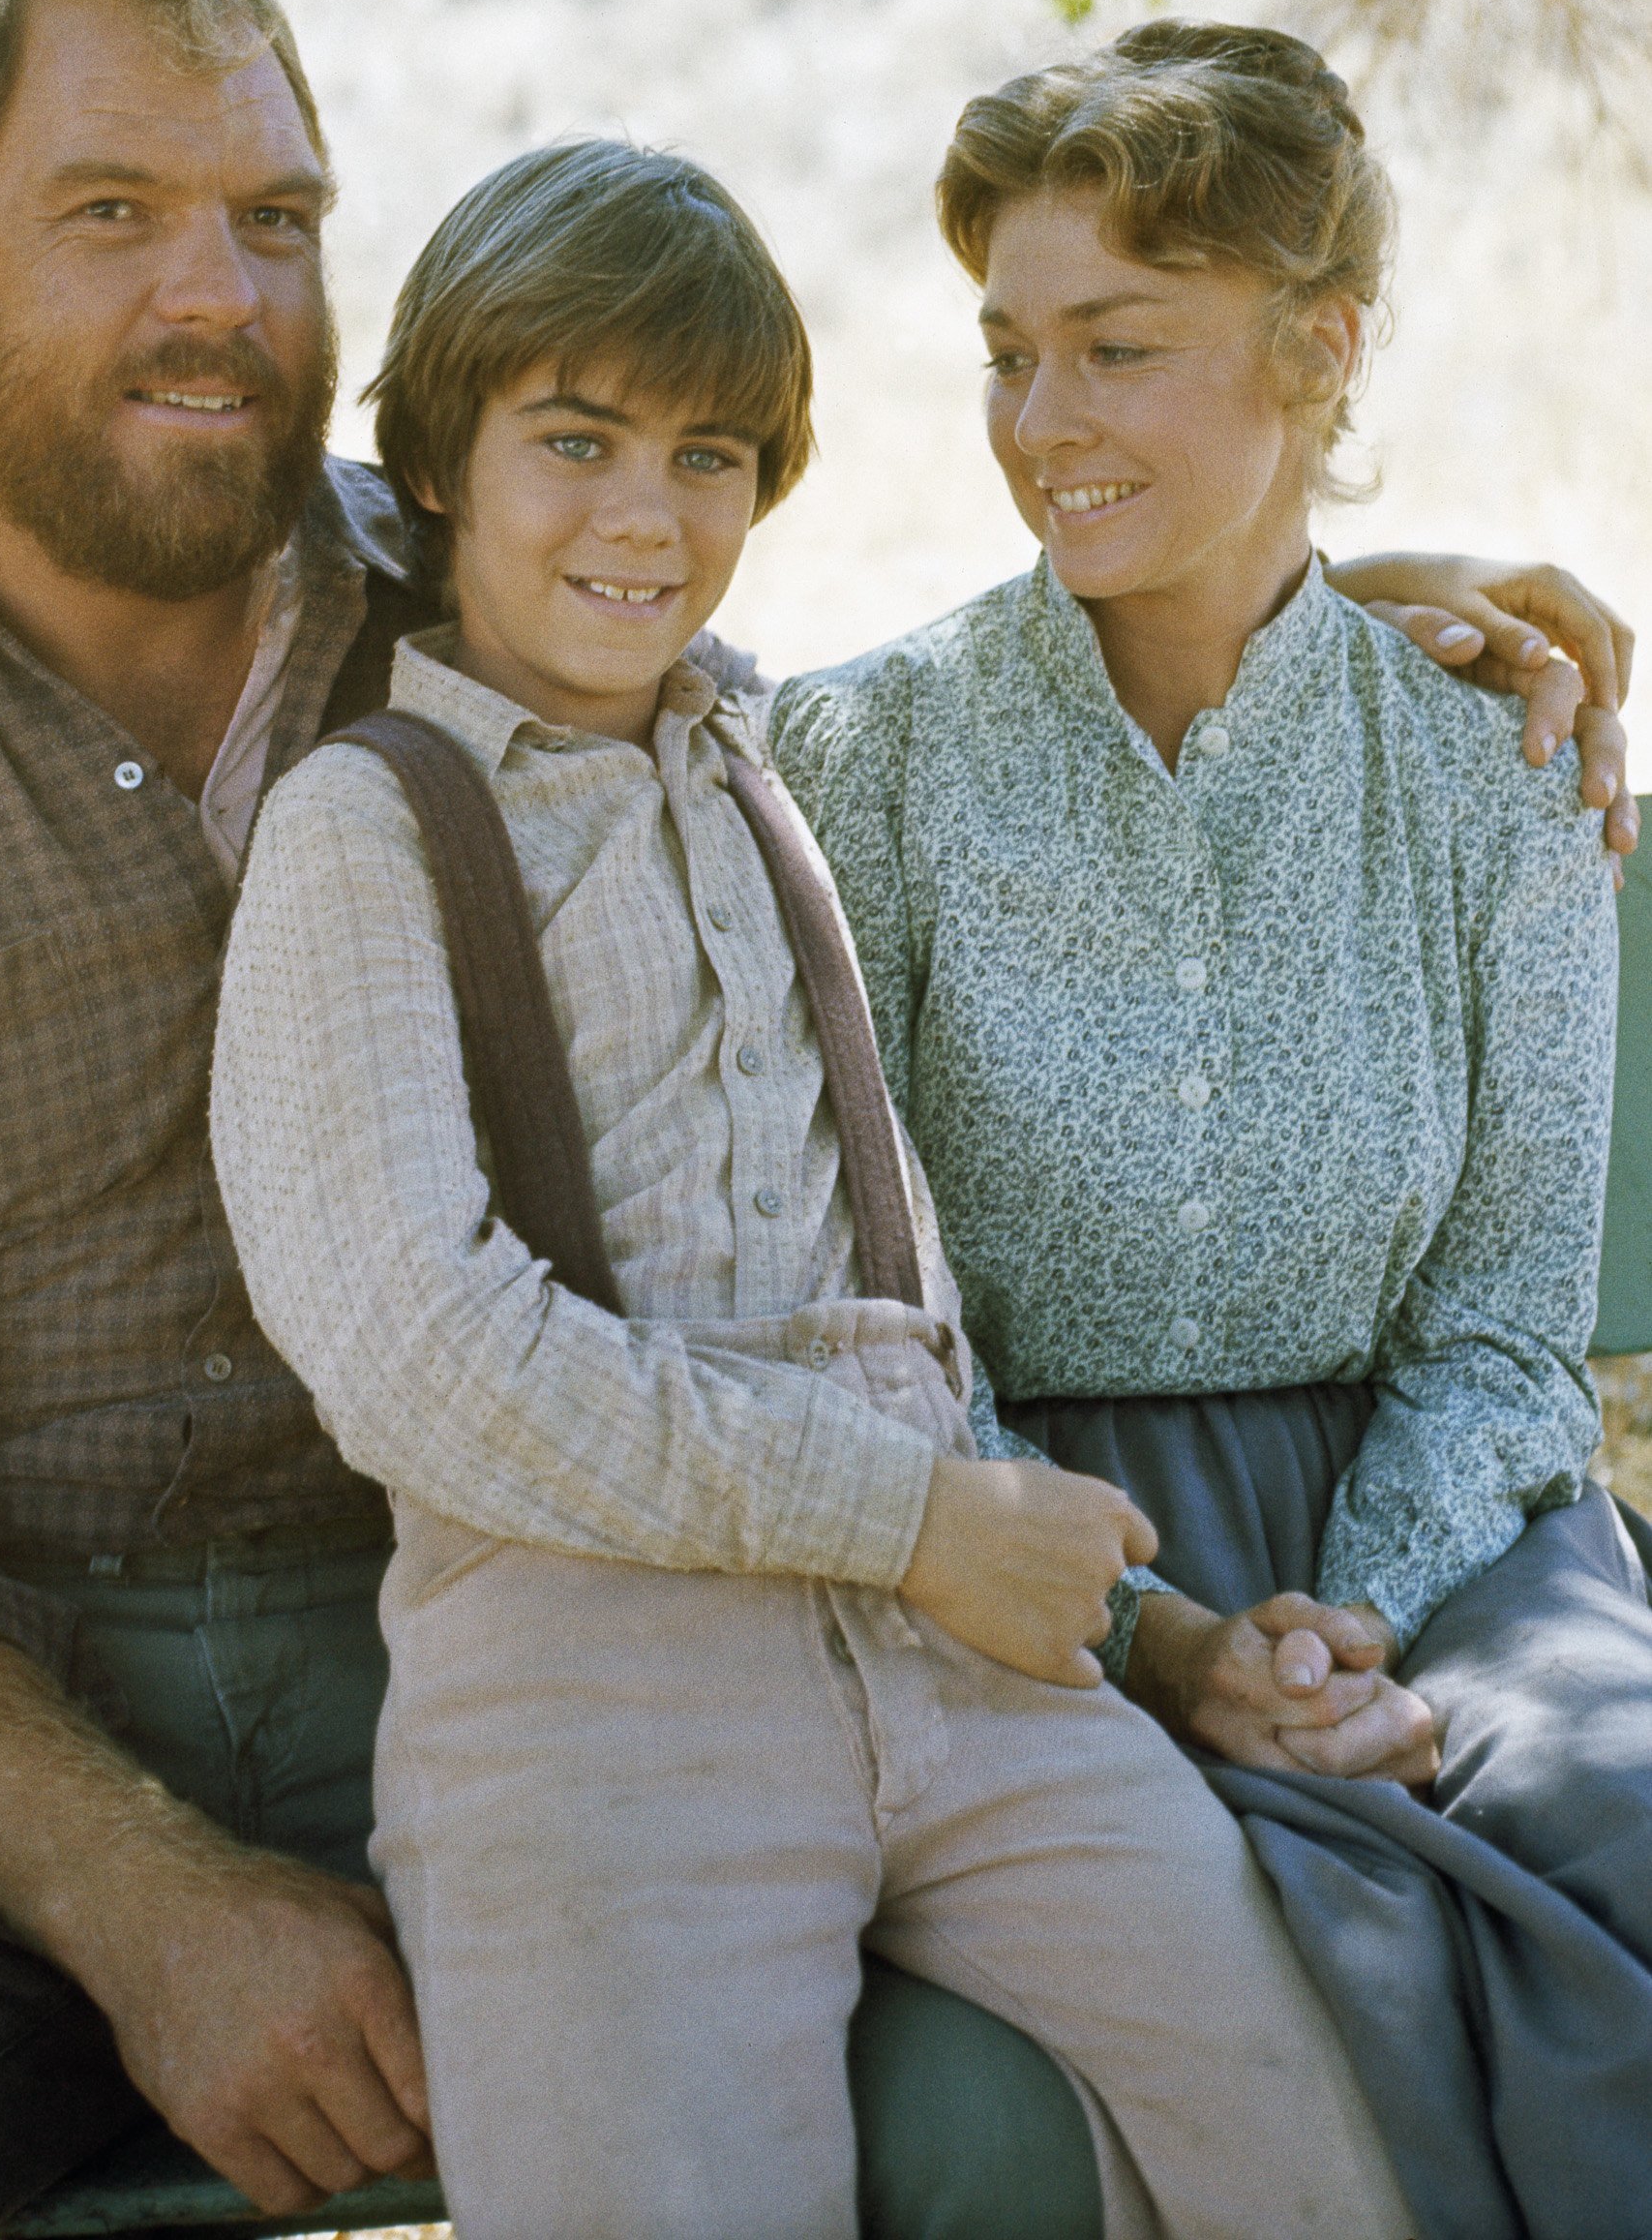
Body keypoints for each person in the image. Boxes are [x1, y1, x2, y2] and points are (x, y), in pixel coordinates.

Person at [0, 0, 1613, 2240]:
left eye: (274, 220)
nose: (217, 292)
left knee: (1015, 2126)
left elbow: (866, 679)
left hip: (636, 1581)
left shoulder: (509, 603)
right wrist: (134, 1894)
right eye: (112, 213)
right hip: (27, 1696)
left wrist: (1322, 601)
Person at [209, 135, 1416, 2240]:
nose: (641, 516)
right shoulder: (362, 832)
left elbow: (1087, 657)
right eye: (570, 440)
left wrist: (1142, 1634)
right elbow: (418, 1357)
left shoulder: (761, 760)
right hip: (599, 1708)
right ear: (432, 468)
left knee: (1319, 2146)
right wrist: (919, 1523)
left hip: (959, 1671)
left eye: (706, 457)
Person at [770, 19, 1652, 2236]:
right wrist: (1176, 1639)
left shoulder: (1491, 774)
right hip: (1015, 1546)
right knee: (1261, 1965)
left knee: (1626, 1827)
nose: (1039, 427)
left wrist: (1328, 1628)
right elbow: (865, 1295)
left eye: (1114, 349)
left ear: (1315, 347)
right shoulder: (865, 763)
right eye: (1003, 354)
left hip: (1443, 1528)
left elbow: (1503, 1324)